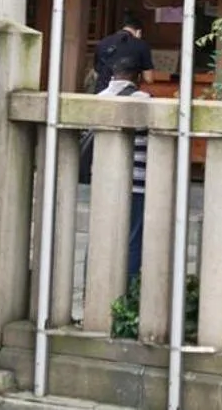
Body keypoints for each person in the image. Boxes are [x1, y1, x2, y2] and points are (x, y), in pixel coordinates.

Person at [99, 47, 152, 281]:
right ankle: (127, 290)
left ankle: (95, 284)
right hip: (137, 179)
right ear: (138, 75)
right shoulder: (144, 101)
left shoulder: (99, 99)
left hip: (103, 179)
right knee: (133, 237)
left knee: (102, 235)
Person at [92, 12, 153, 93]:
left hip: (101, 92)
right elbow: (149, 78)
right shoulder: (141, 45)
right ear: (139, 32)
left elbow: (96, 74)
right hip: (127, 93)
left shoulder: (103, 42)